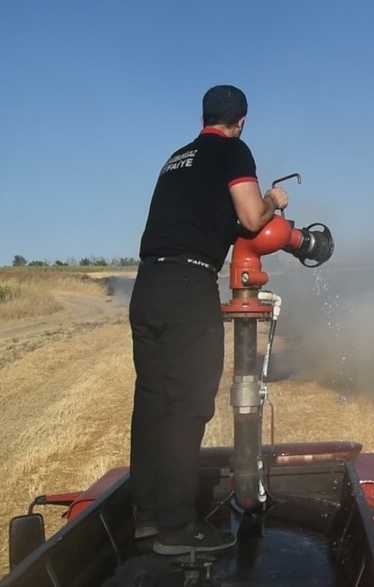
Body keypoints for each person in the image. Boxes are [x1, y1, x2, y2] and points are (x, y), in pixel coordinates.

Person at [128, 84, 288, 555]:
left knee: (153, 402)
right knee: (188, 404)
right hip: (187, 285)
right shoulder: (233, 149)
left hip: (148, 286)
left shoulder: (177, 157)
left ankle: (149, 516)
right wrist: (276, 200)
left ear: (203, 117)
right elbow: (251, 216)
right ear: (240, 120)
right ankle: (179, 530)